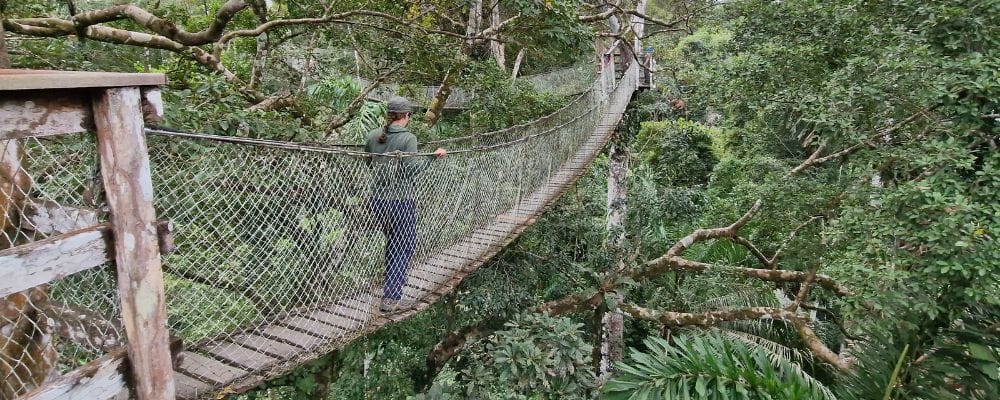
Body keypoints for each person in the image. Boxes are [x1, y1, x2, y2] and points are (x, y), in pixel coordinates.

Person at [365, 96, 446, 313]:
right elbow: (411, 171)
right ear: (406, 116)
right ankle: (391, 297)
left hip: (378, 201)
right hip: (401, 201)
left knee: (394, 243)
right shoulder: (408, 138)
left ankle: (391, 285)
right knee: (405, 246)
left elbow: (369, 162)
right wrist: (432, 158)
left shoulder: (373, 135)